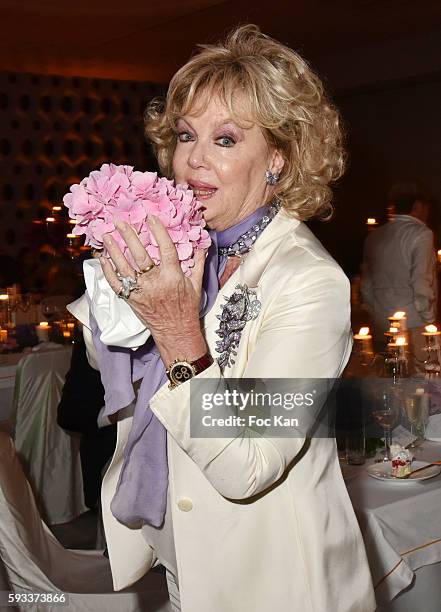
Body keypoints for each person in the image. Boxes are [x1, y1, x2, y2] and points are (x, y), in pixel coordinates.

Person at [69, 25, 375, 612]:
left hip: (275, 580)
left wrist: (177, 330)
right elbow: (113, 370)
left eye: (227, 139)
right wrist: (118, 285)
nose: (192, 159)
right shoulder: (190, 246)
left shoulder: (308, 280)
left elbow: (247, 468)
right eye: (186, 135)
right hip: (187, 563)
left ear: (279, 160)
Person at [361, 181, 437, 371]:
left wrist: (375, 314)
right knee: (423, 384)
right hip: (414, 325)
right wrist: (429, 321)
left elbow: (366, 285)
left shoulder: (374, 237)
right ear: (418, 206)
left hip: (381, 326)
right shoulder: (422, 234)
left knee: (390, 382)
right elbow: (421, 282)